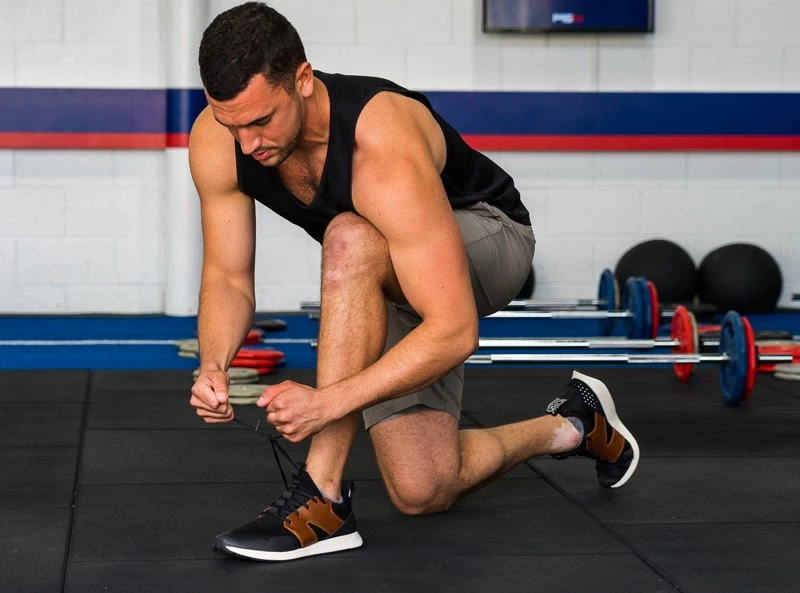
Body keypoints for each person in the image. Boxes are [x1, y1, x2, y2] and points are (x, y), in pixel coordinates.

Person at [188, 1, 640, 563]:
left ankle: (322, 499)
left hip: (490, 238)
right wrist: (214, 363)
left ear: (303, 79)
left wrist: (328, 403)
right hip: (389, 267)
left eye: (261, 121)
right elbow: (228, 276)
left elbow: (454, 330)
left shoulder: (380, 142)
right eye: (233, 124)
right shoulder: (218, 138)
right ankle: (575, 425)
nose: (248, 143)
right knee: (422, 488)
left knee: (349, 236)